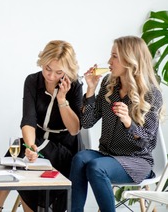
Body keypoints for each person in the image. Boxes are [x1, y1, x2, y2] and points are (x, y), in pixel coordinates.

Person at [0, 40, 83, 212]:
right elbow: (28, 119)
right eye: (47, 69)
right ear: (42, 63)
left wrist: (61, 99)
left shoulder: (74, 86)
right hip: (38, 140)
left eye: (58, 72)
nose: (51, 76)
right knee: (22, 151)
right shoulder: (32, 81)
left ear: (67, 70)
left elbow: (74, 129)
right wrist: (31, 147)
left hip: (64, 148)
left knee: (18, 155)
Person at [70, 36, 164, 212]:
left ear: (130, 60)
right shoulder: (108, 84)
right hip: (108, 155)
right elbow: (88, 122)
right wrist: (90, 89)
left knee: (96, 167)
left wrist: (129, 122)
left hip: (137, 161)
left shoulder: (151, 94)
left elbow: (149, 143)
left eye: (114, 56)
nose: (109, 61)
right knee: (80, 158)